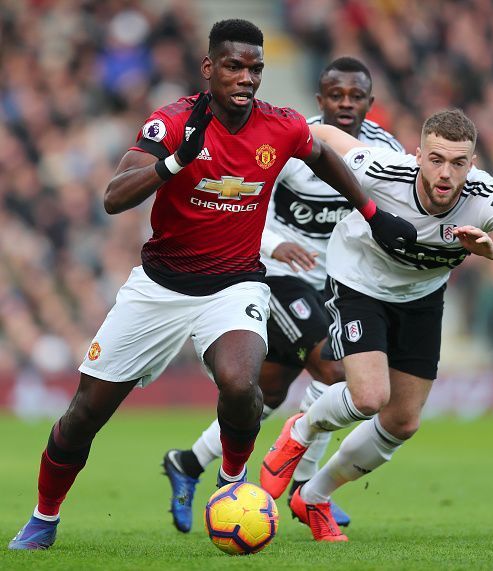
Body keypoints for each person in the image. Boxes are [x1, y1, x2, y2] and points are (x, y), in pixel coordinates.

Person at [8, 19, 417, 551]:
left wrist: (372, 212)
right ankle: (44, 516)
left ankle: (230, 484)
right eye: (234, 66)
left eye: (255, 69)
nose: (246, 78)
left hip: (236, 285)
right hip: (159, 287)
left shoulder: (282, 126)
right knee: (85, 413)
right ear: (209, 68)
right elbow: (114, 197)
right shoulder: (172, 122)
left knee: (240, 382)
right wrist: (176, 160)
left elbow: (324, 157)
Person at [260, 109, 493, 542]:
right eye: (436, 159)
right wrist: (270, 128)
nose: (446, 174)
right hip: (360, 282)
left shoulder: (485, 195)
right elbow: (325, 134)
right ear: (418, 155)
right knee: (370, 397)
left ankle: (314, 496)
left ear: (473, 163)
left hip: (422, 297)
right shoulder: (383, 170)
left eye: (458, 163)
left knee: (402, 422)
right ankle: (300, 429)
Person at [162, 56, 405, 533]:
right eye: (336, 95)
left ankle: (187, 463)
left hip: (336, 285)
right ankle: (304, 489)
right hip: (276, 274)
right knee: (335, 371)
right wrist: (277, 244)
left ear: (370, 104)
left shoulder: (384, 150)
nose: (346, 104)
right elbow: (245, 201)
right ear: (321, 99)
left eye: (356, 97)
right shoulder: (294, 140)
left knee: (268, 392)